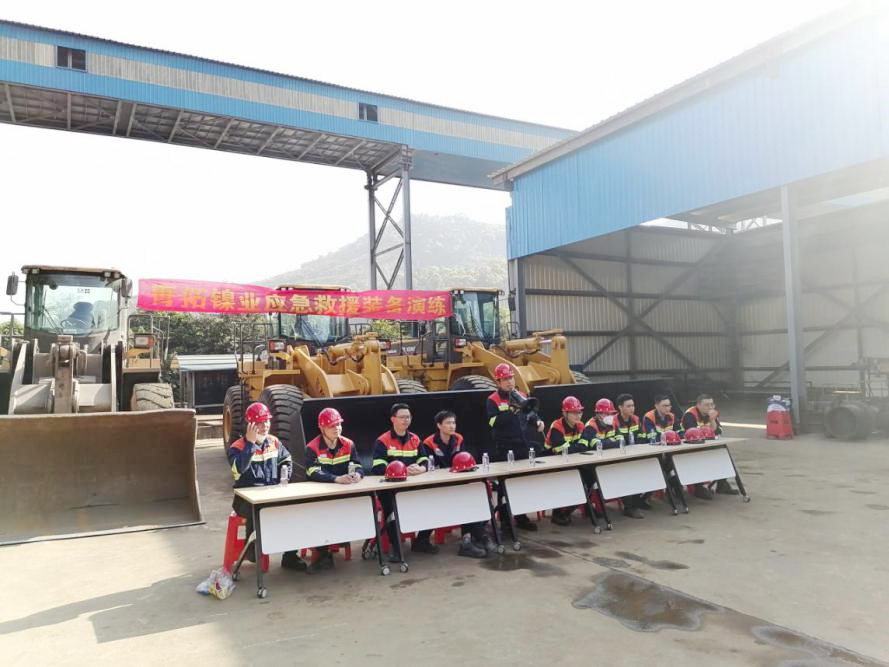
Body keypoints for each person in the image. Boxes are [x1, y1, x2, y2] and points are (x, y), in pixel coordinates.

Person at [228, 401, 307, 571]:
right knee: (259, 511)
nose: (265, 426)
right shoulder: (237, 448)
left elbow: (286, 459)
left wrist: (284, 476)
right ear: (249, 425)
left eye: (267, 422)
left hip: (272, 495)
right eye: (259, 423)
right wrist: (250, 445)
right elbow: (239, 469)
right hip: (245, 501)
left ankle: (290, 556)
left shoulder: (274, 442)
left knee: (295, 510)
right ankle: (253, 550)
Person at [424, 410, 496, 558]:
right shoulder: (428, 443)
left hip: (458, 483)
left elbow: (463, 461)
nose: (452, 426)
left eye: (454, 422)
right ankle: (480, 537)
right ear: (439, 425)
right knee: (465, 501)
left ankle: (469, 540)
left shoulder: (458, 438)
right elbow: (429, 467)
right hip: (438, 487)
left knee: (476, 498)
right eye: (448, 423)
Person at [371, 403, 438, 560]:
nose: (405, 420)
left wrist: (422, 468)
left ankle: (421, 541)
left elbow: (425, 460)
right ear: (393, 419)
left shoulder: (415, 439)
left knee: (434, 502)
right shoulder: (382, 440)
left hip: (412, 487)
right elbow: (378, 467)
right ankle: (396, 549)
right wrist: (402, 470)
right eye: (402, 417)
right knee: (391, 513)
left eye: (408, 417)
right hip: (390, 489)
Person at [303, 407, 364, 573]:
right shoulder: (312, 448)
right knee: (317, 516)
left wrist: (358, 475)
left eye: (338, 424)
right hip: (320, 497)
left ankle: (345, 542)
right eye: (332, 426)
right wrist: (336, 479)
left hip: (344, 495)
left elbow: (358, 465)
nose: (337, 428)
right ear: (322, 428)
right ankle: (324, 556)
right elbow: (312, 472)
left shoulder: (348, 444)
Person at [486, 363, 545, 532]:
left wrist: (538, 421)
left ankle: (521, 517)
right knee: (505, 485)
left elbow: (531, 413)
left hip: (523, 444)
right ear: (498, 382)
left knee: (522, 483)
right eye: (505, 379)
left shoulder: (522, 395)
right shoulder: (492, 400)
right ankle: (505, 521)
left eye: (510, 378)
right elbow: (493, 422)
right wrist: (510, 411)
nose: (509, 382)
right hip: (505, 447)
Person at [581, 398, 645, 519]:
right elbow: (596, 445)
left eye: (611, 413)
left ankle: (630, 507)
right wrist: (610, 442)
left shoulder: (612, 424)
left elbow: (621, 441)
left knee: (629, 472)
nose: (610, 416)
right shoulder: (591, 426)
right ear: (599, 414)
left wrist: (609, 442)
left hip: (611, 460)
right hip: (594, 464)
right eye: (607, 414)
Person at [544, 395, 590, 525]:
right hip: (552, 464)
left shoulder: (580, 425)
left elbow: (585, 446)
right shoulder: (557, 427)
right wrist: (577, 447)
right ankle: (557, 514)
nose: (578, 415)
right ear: (565, 413)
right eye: (574, 412)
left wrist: (573, 448)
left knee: (590, 477)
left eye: (579, 412)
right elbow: (561, 451)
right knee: (566, 480)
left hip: (572, 462)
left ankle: (571, 510)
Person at [681, 394, 738, 497]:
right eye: (707, 405)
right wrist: (710, 430)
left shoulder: (712, 414)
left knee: (723, 455)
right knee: (700, 459)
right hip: (689, 447)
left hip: (705, 445)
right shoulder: (690, 415)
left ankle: (722, 485)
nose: (710, 407)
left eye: (712, 404)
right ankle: (698, 488)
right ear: (698, 405)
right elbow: (693, 435)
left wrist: (712, 420)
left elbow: (718, 431)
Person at [615, 393, 654, 510]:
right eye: (628, 406)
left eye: (633, 405)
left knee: (655, 469)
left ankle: (639, 500)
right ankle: (629, 507)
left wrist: (634, 442)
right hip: (619, 458)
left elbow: (642, 437)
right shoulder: (614, 421)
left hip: (635, 455)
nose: (632, 408)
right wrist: (631, 441)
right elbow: (618, 441)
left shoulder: (636, 419)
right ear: (620, 407)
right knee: (626, 475)